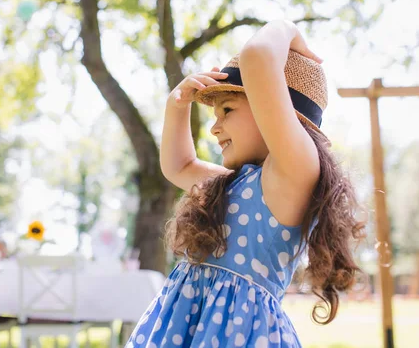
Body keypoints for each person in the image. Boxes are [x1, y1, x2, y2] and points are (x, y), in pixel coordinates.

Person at [125, 20, 365, 348]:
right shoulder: (232, 184)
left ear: (276, 109)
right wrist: (176, 104)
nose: (215, 128)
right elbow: (179, 165)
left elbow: (257, 56)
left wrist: (288, 29)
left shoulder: (292, 174)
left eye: (226, 110)